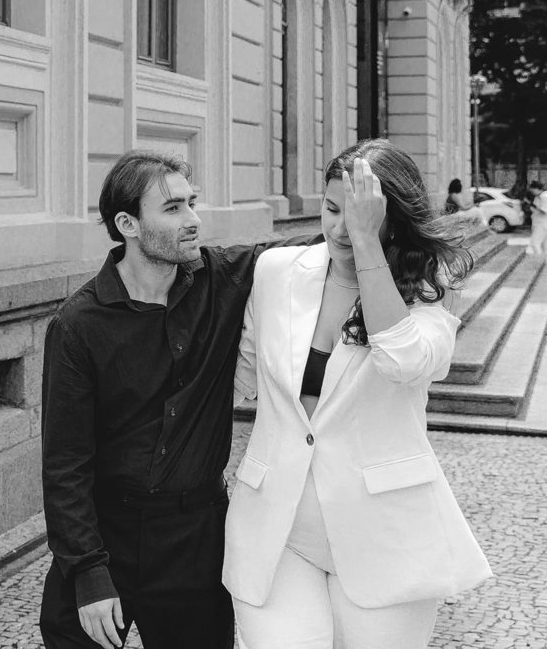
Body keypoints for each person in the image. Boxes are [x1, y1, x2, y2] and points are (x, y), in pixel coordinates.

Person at [223, 139, 492, 648]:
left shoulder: (430, 290)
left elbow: (403, 361)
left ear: (394, 218)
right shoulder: (277, 271)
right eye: (332, 210)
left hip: (385, 537)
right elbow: (242, 377)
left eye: (360, 216)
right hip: (277, 530)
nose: (341, 229)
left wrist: (368, 246)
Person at [39, 150, 313, 649]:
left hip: (197, 538)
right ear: (128, 225)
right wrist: (87, 571)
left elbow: (306, 253)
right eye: (172, 208)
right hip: (108, 533)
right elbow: (65, 465)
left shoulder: (223, 279)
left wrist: (369, 227)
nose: (193, 220)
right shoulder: (78, 326)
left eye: (192, 203)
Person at [526, 180, 546, 257]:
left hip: (542, 224)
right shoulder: (539, 196)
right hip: (539, 223)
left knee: (535, 243)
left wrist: (532, 206)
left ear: (537, 188)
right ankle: (542, 261)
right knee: (543, 245)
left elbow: (544, 210)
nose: (532, 192)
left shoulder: (544, 196)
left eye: (532, 191)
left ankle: (538, 261)